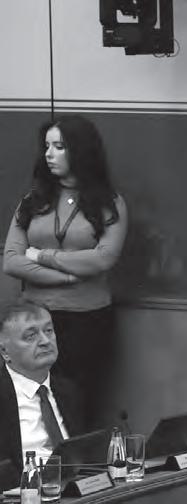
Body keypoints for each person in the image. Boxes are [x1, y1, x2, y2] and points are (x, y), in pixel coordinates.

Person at [3, 114, 127, 421]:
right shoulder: (33, 201)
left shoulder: (109, 203)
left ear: (80, 151)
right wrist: (70, 276)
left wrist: (42, 256)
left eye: (59, 147)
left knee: (81, 406)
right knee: (33, 404)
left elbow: (102, 259)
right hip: (35, 318)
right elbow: (12, 260)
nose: (49, 154)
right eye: (47, 146)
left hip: (88, 320)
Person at [0, 300, 85, 484]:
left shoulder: (69, 391)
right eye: (31, 336)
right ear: (4, 351)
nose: (45, 341)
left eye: (48, 331)